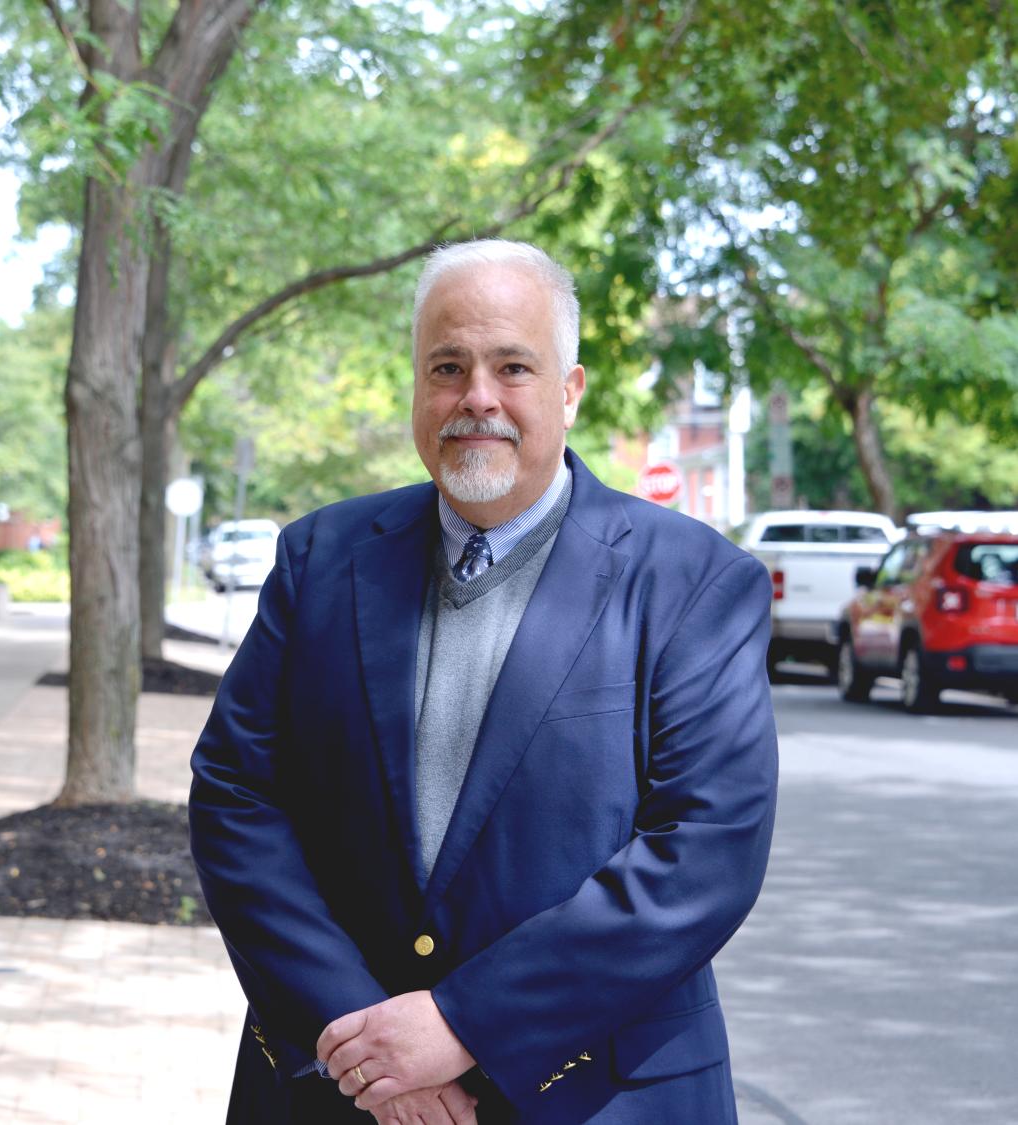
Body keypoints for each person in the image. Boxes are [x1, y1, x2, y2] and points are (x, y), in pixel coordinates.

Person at [189, 239, 777, 1124]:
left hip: (600, 1092)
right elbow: (236, 792)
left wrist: (464, 1022)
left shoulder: (693, 582)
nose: (478, 398)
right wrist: (364, 1039)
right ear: (418, 388)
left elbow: (706, 848)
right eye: (448, 366)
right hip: (338, 1087)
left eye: (513, 366)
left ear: (571, 391)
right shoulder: (319, 560)